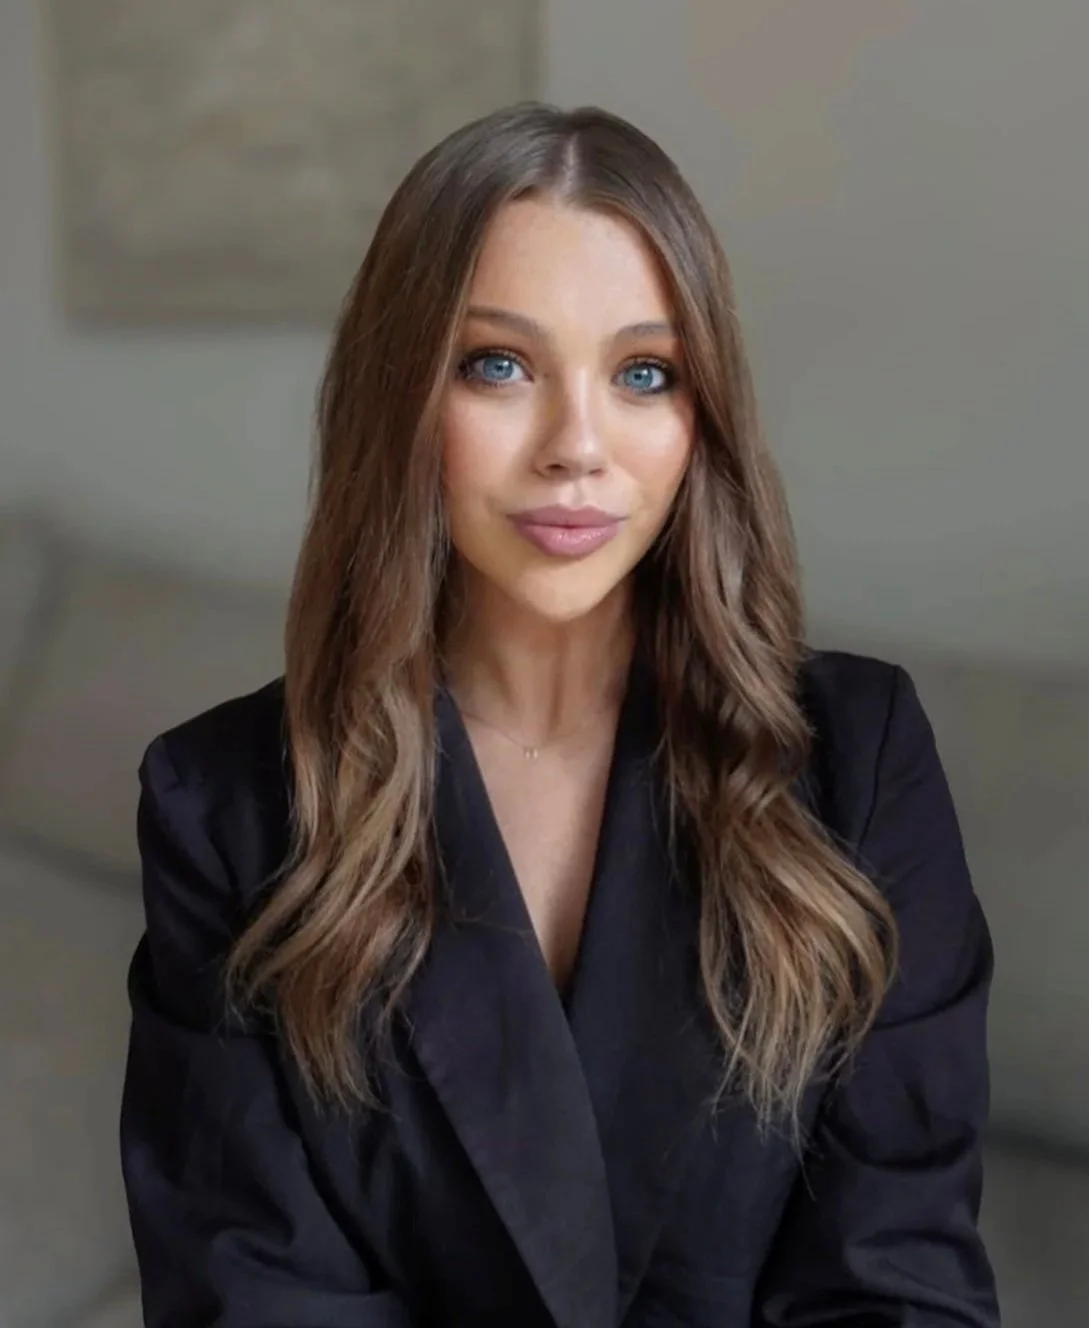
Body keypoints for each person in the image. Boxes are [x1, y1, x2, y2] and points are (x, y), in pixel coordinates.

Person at [120, 102, 999, 1328]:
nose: (577, 445)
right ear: (402, 399)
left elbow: (897, 1278)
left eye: (645, 372)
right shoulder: (225, 805)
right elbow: (251, 1289)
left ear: (703, 420)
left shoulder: (859, 760)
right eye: (499, 365)